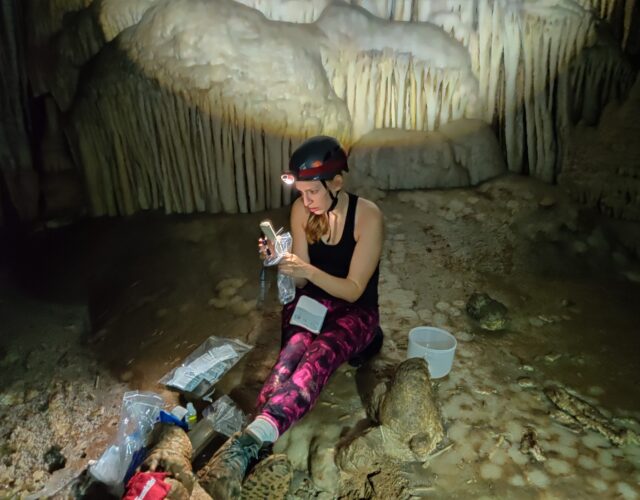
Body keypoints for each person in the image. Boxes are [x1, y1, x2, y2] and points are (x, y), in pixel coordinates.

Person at [201, 135, 384, 499]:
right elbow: (299, 279)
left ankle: (247, 444)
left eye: (313, 192)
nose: (306, 201)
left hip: (354, 310)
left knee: (319, 356)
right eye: (301, 192)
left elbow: (353, 288)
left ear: (336, 183)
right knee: (287, 360)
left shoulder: (367, 216)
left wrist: (309, 271)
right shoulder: (303, 212)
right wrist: (280, 260)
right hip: (313, 301)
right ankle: (258, 438)